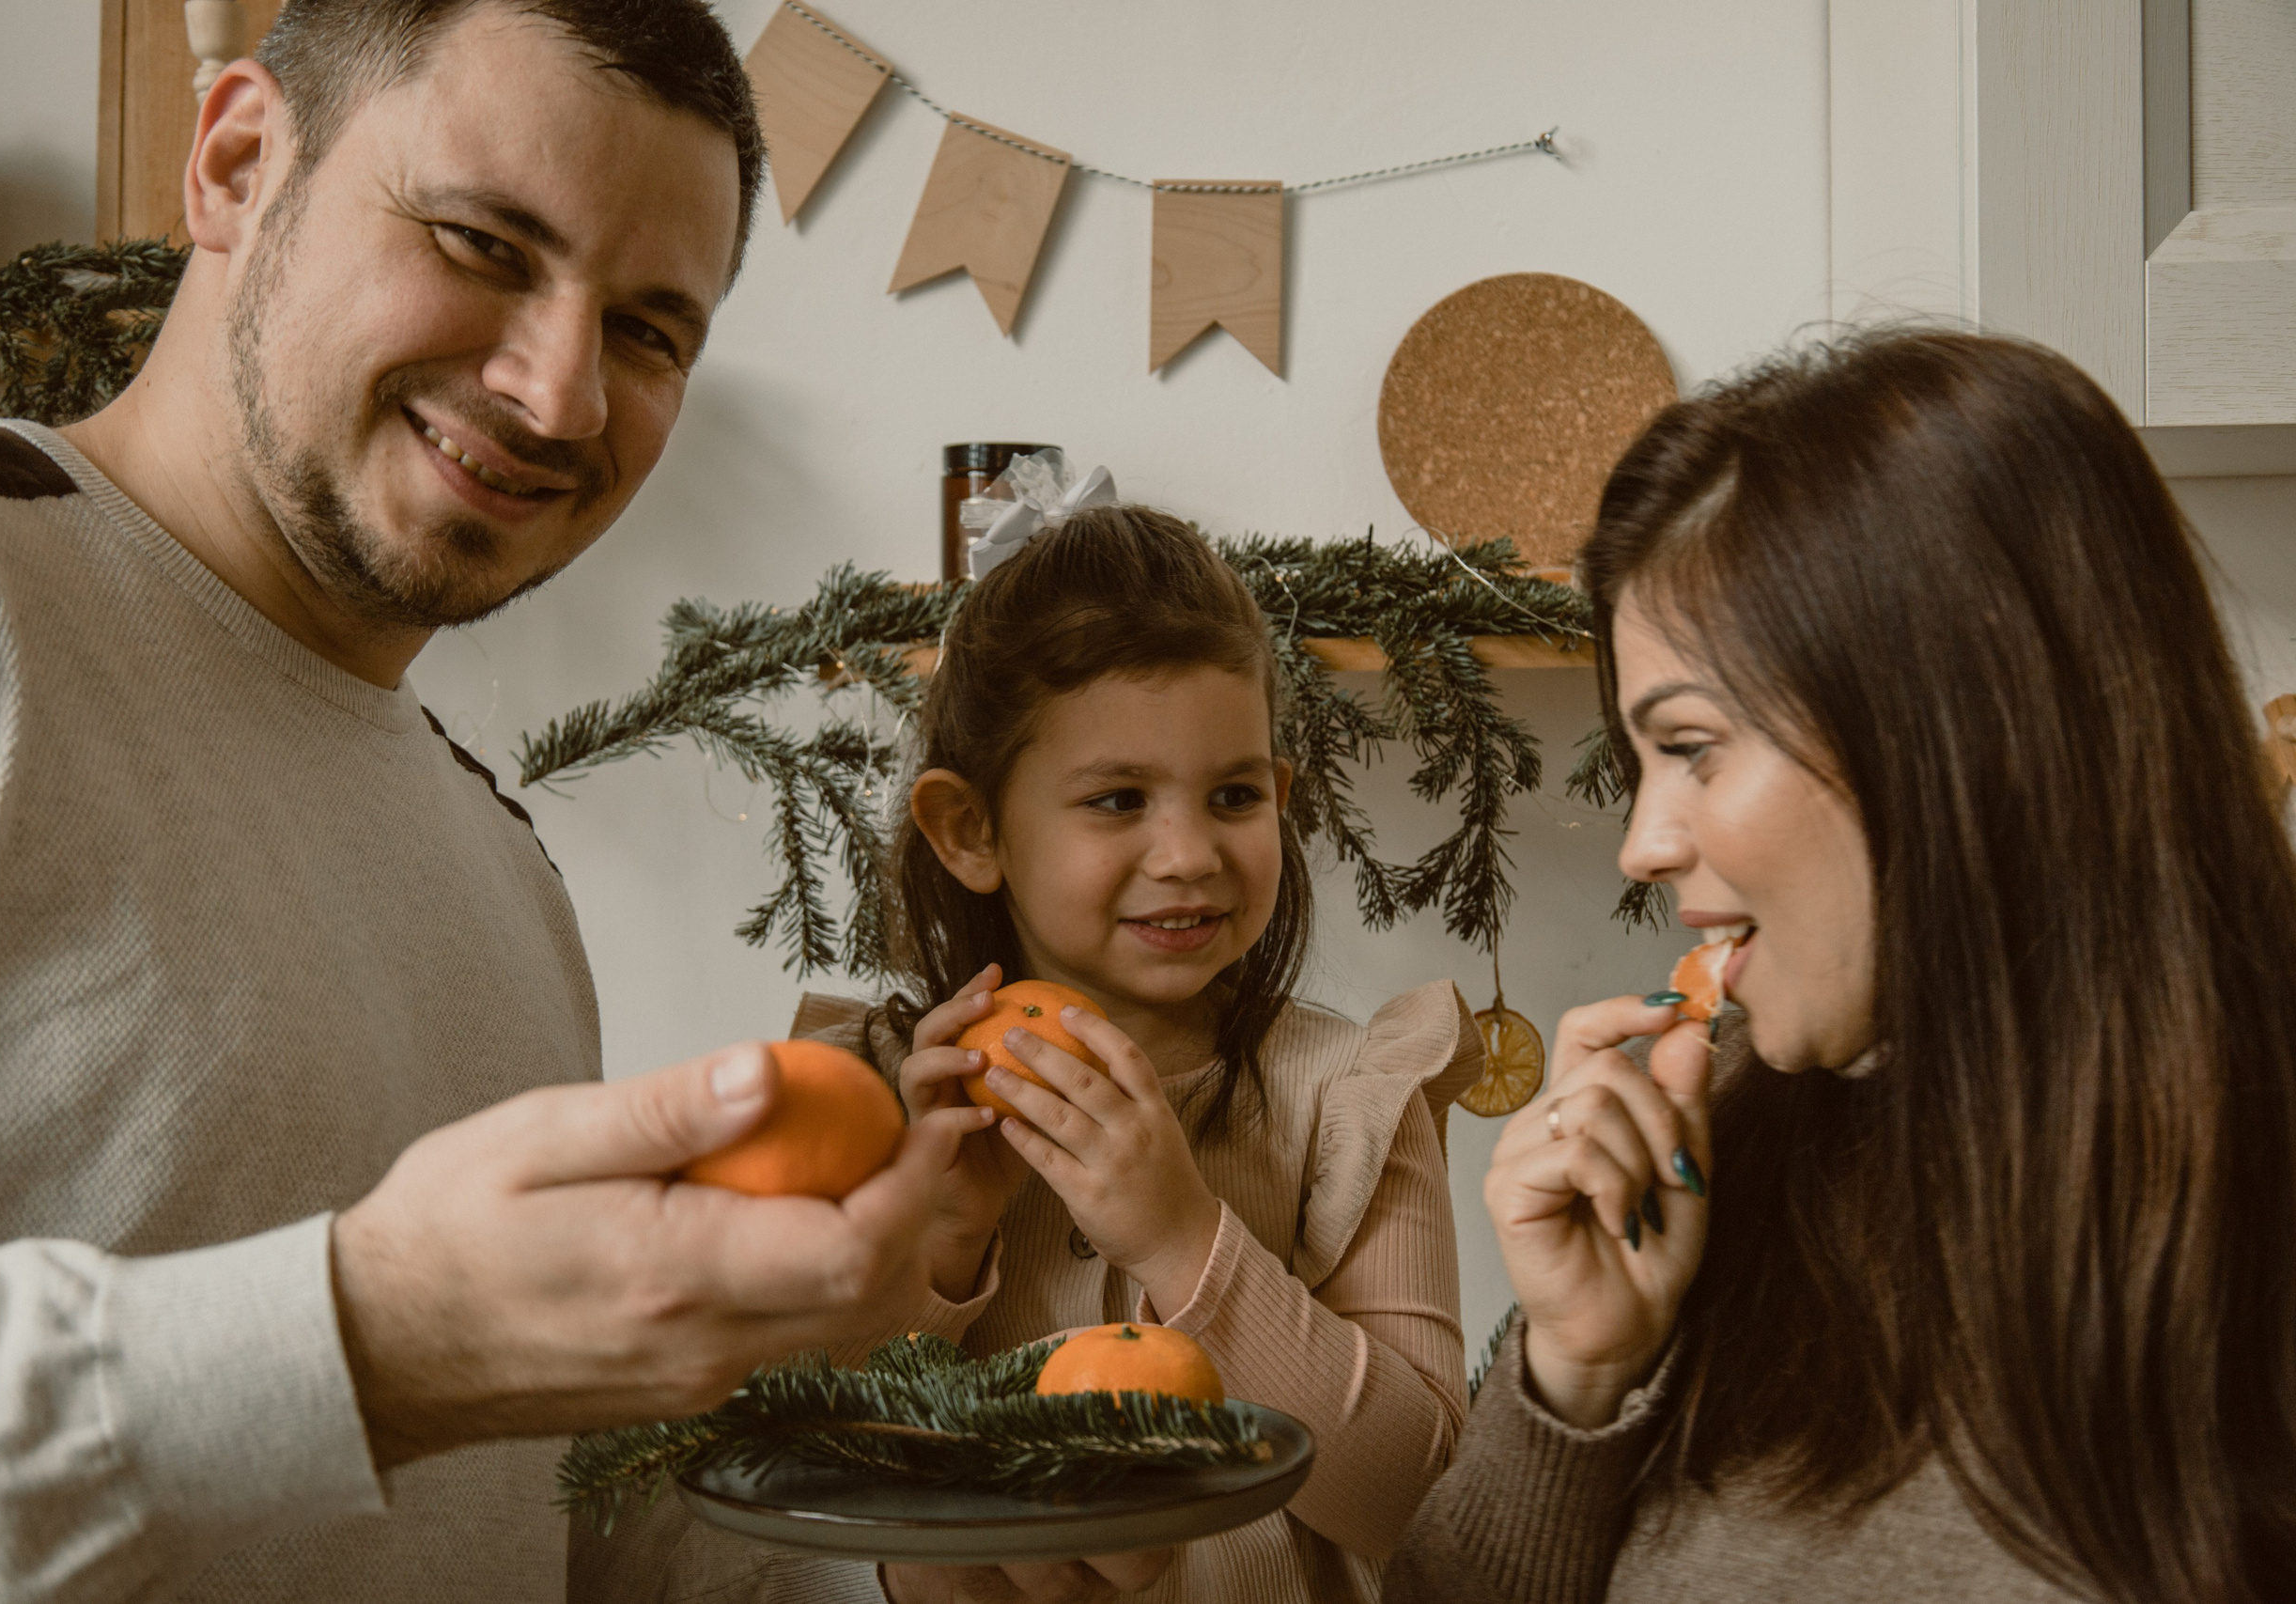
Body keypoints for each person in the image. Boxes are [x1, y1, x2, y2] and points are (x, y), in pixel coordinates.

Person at [0, 5, 973, 1601]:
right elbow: (400, 1362)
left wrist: (924, 1560)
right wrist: (368, 1340)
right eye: (481, 241)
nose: (561, 395)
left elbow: (561, 1533)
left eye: (649, 331)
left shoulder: (503, 862)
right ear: (241, 162)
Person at [1384, 330, 2296, 1602]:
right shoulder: (1722, 1172)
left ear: (1959, 726)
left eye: (1694, 744)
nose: (1644, 844)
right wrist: (1575, 1370)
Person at [611, 503, 1485, 1603]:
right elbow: (777, 1474)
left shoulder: (1352, 1097)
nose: (1188, 853)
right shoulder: (863, 1101)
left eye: (1234, 794)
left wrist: (1183, 1241)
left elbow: (1425, 1502)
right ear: (971, 832)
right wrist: (937, 1250)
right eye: (1117, 799)